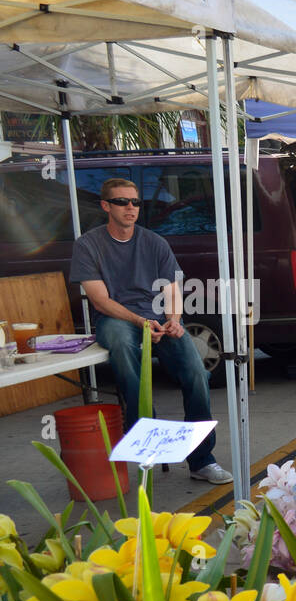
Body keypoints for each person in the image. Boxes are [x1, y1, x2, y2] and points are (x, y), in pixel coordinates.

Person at [69, 178, 232, 484]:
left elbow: (172, 289)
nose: (131, 208)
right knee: (124, 354)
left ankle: (202, 460)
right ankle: (147, 438)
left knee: (198, 374)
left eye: (135, 202)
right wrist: (139, 322)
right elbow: (100, 300)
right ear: (106, 206)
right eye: (122, 202)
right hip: (119, 318)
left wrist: (173, 319)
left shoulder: (155, 242)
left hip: (159, 316)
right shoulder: (88, 244)